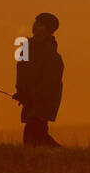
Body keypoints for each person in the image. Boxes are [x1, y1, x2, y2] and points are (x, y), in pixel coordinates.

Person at [14, 12, 64, 147]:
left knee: (33, 133)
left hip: (43, 101)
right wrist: (20, 91)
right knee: (37, 135)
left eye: (40, 24)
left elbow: (50, 83)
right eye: (36, 22)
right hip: (30, 100)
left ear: (48, 30)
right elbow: (21, 72)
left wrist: (33, 96)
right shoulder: (25, 48)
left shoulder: (52, 55)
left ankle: (61, 155)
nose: (36, 26)